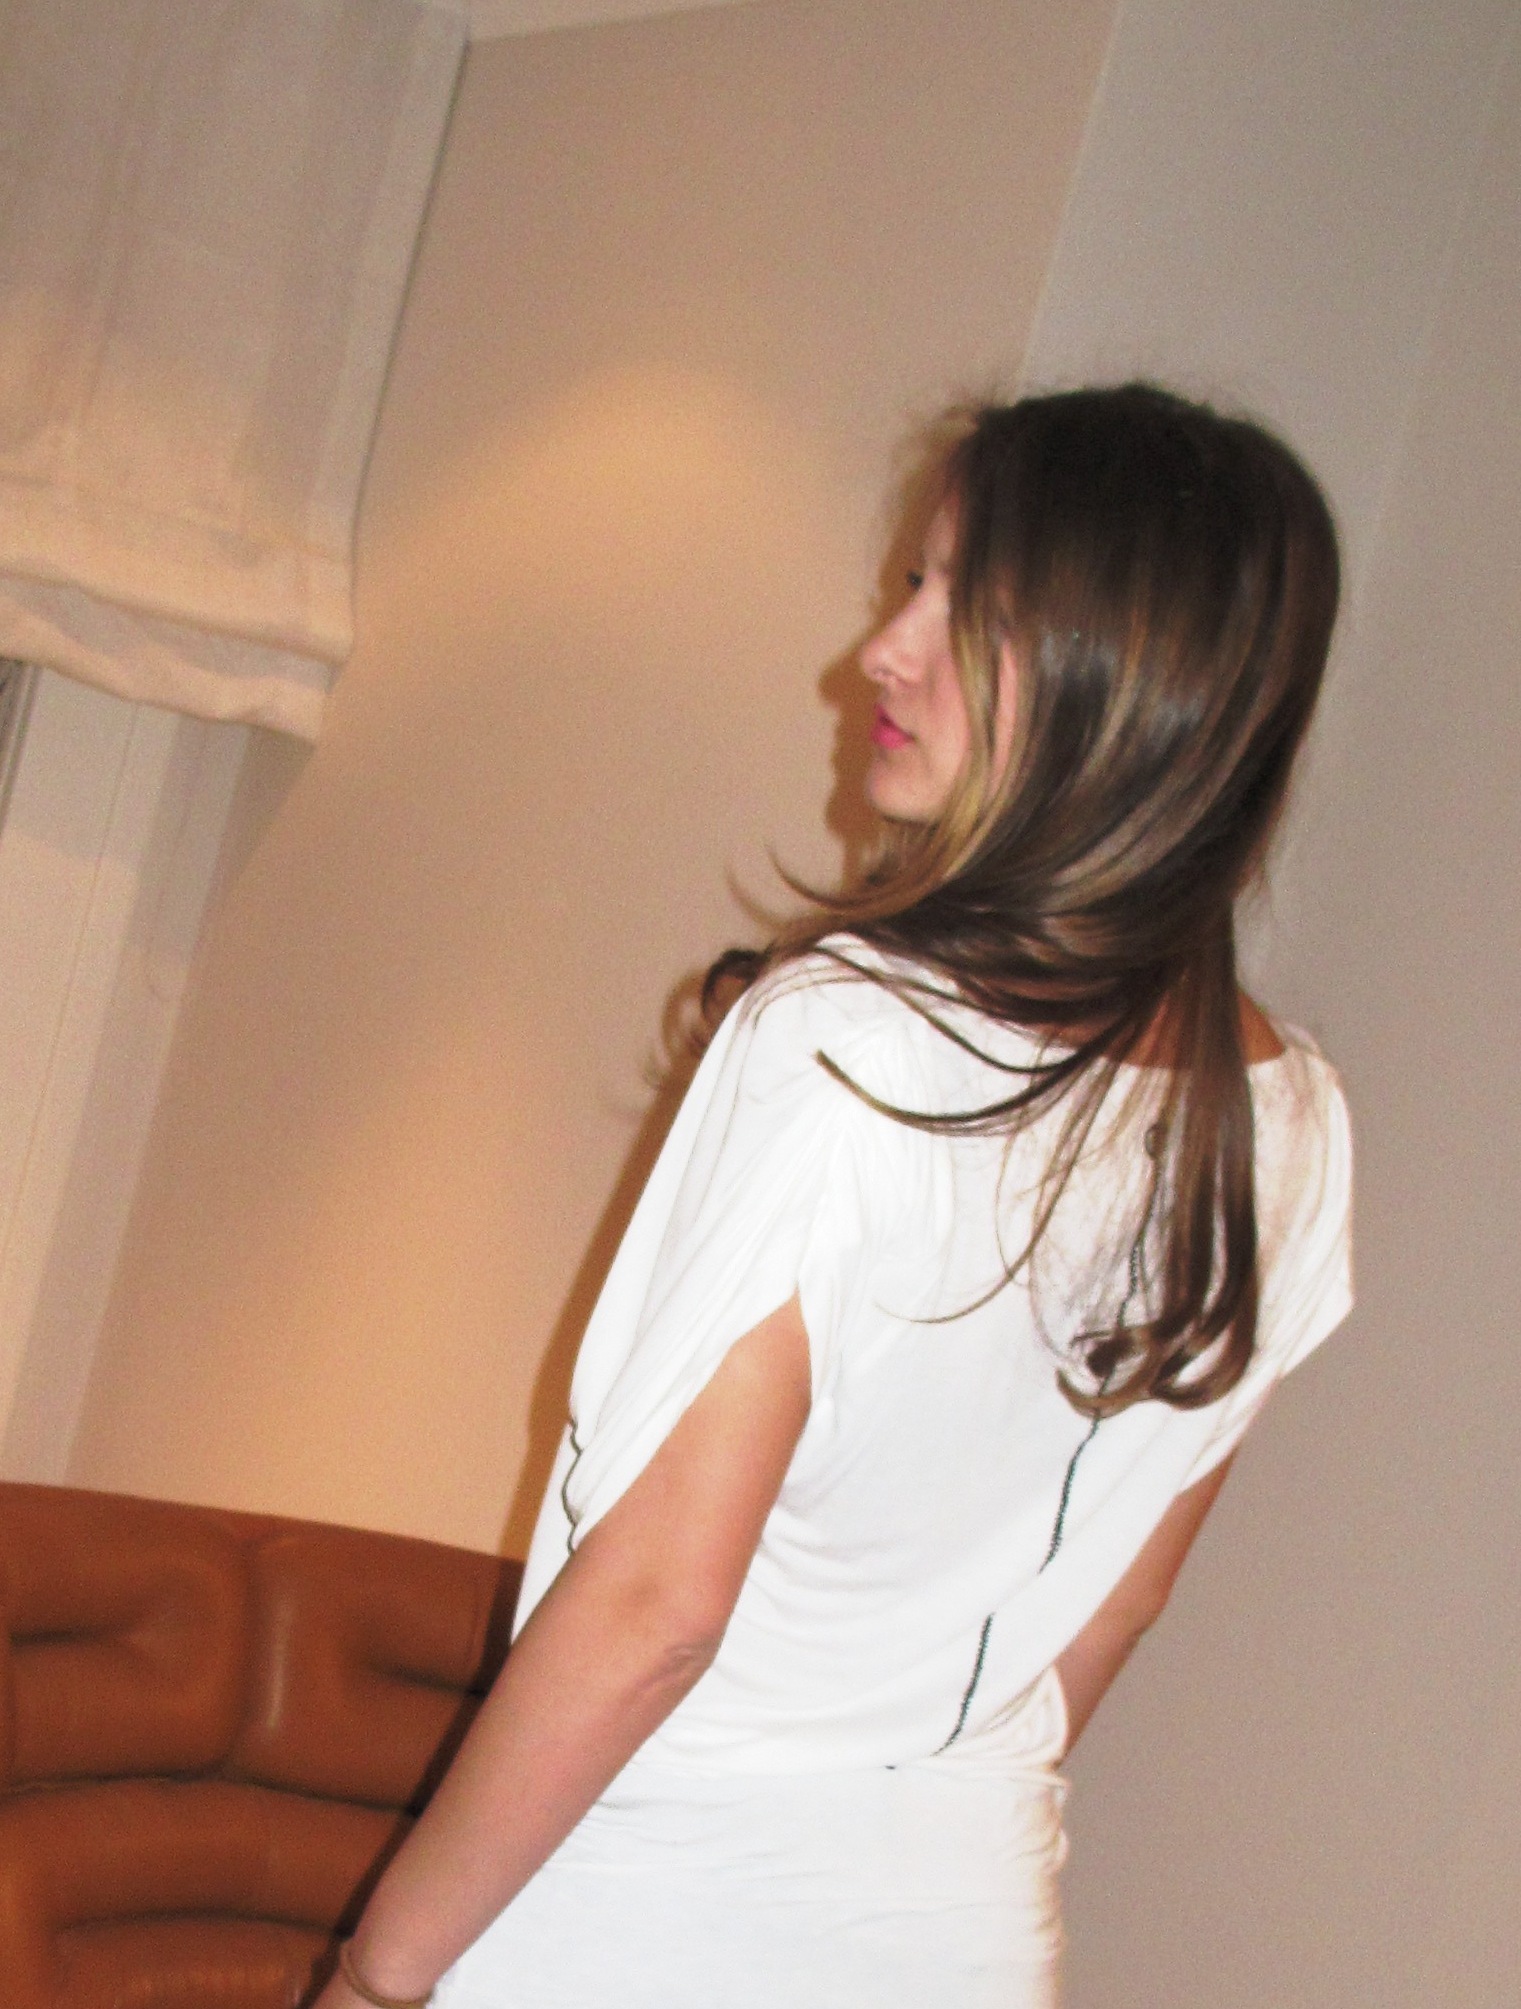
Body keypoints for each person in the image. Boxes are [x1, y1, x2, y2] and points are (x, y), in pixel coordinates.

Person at [317, 383, 1352, 2009]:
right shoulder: (1292, 1122)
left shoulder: (842, 1039)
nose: (880, 650)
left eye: (961, 606)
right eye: (908, 584)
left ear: (1122, 687)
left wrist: (376, 1976)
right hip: (965, 1926)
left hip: (636, 1919)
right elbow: (1120, 1601)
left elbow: (657, 1608)